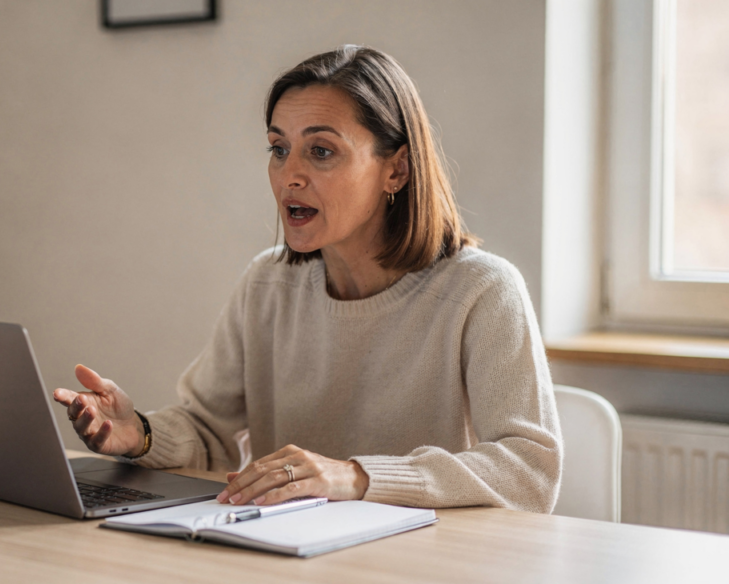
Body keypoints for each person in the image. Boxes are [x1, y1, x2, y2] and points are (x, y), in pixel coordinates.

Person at [53, 45, 562, 512]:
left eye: (320, 151)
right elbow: (208, 431)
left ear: (398, 171)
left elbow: (529, 469)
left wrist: (356, 476)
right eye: (278, 148)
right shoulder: (267, 283)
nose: (289, 175)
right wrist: (138, 434)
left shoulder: (482, 290)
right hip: (292, 557)